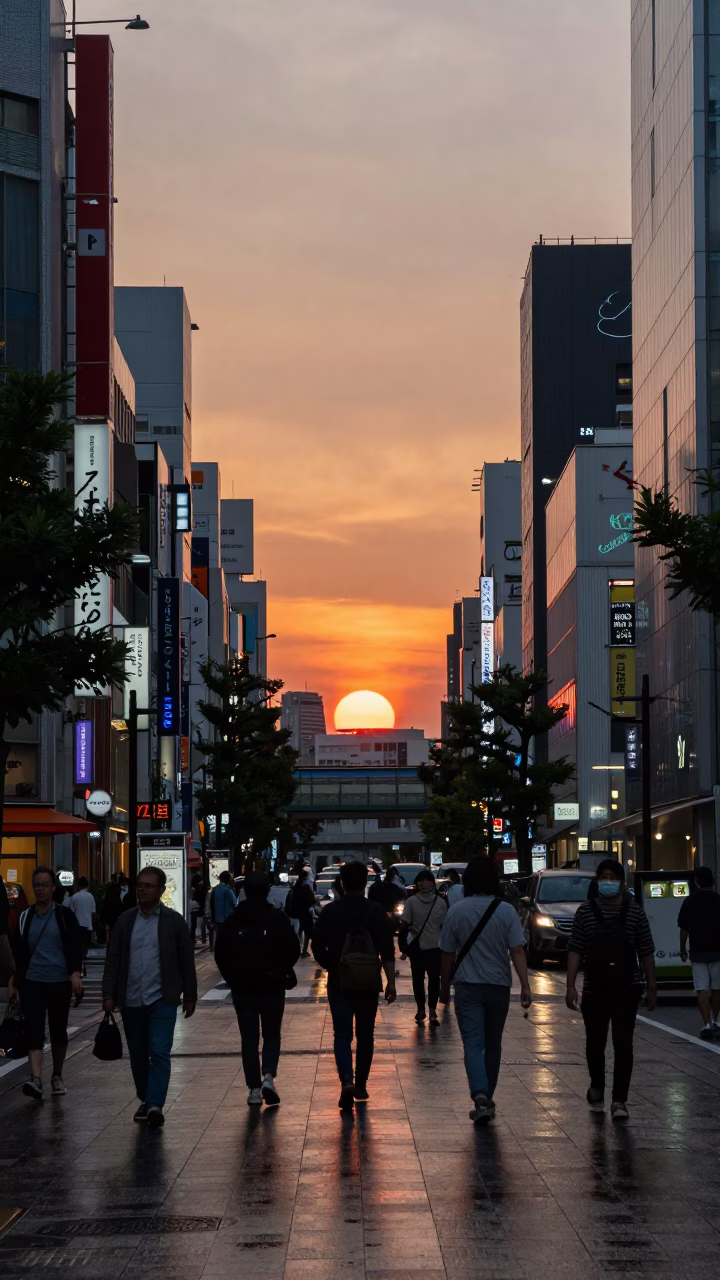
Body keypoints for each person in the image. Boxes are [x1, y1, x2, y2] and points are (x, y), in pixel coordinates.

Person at [102, 865, 197, 1129]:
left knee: (159, 1051)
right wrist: (108, 994)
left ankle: (155, 1103)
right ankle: (146, 1097)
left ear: (161, 890)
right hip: (131, 999)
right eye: (139, 885)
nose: (142, 889)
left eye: (148, 885)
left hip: (162, 998)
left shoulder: (174, 922)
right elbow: (113, 959)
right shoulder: (125, 921)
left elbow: (185, 960)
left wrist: (190, 994)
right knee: (137, 1054)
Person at [440, 855, 531, 1125]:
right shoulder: (505, 911)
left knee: (472, 1043)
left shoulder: (457, 910)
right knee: (493, 1044)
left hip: (467, 987)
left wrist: (444, 987)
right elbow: (517, 950)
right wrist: (525, 985)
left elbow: (447, 954)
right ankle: (486, 1097)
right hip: (498, 987)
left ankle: (479, 1094)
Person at [566, 858, 656, 1121]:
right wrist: (571, 985)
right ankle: (597, 1084)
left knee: (623, 1044)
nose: (608, 882)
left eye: (613, 878)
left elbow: (647, 951)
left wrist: (652, 986)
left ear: (622, 882)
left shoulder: (635, 912)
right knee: (595, 1043)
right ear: (597, 882)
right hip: (594, 989)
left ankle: (619, 1099)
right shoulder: (585, 912)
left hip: (627, 988)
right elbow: (575, 949)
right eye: (603, 878)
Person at [312, 860, 396, 1111]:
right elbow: (388, 950)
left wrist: (334, 965)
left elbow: (317, 946)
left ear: (342, 882)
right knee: (366, 1034)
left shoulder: (331, 911)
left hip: (340, 979)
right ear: (365, 882)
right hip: (369, 980)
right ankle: (361, 1085)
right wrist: (390, 982)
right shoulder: (377, 911)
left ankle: (346, 1080)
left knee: (342, 1034)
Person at [214, 870, 300, 1105]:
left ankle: (253, 1088)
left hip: (243, 987)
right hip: (272, 985)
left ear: (244, 891)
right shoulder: (277, 918)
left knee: (249, 1037)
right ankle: (268, 1076)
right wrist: (281, 968)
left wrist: (232, 978)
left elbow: (221, 953)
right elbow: (293, 948)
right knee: (272, 1033)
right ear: (268, 891)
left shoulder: (234, 919)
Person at [8, 865, 83, 1100]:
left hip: (59, 981)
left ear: (53, 888)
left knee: (58, 1030)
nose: (40, 889)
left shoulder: (63, 915)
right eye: (36, 885)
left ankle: (57, 1074)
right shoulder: (25, 918)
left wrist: (75, 973)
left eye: (44, 885)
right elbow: (19, 953)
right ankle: (36, 1079)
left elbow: (74, 946)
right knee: (34, 1030)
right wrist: (14, 981)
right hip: (32, 981)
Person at [400, 869, 448, 1025]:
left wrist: (403, 946)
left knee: (418, 979)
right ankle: (432, 1010)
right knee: (435, 979)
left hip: (418, 948)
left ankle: (421, 1009)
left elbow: (405, 925)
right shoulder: (441, 902)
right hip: (436, 947)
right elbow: (445, 925)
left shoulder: (411, 902)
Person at [678, 866, 720, 1040]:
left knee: (701, 989)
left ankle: (707, 1024)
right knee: (717, 988)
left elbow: (683, 929)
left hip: (697, 951)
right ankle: (716, 1020)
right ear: (713, 881)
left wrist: (682, 949)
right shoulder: (719, 900)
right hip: (718, 951)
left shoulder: (690, 901)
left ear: (696, 882)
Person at [69, 876, 96, 975]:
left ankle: (80, 966)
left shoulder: (75, 897)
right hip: (88, 925)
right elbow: (93, 913)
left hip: (78, 925)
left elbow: (71, 912)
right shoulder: (90, 896)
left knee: (78, 948)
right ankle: (83, 966)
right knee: (84, 948)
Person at [287, 869, 316, 958]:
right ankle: (304, 950)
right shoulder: (304, 887)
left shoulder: (295, 888)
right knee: (307, 931)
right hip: (304, 912)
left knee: (299, 931)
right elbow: (310, 900)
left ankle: (299, 948)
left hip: (296, 913)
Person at [209, 871, 236, 951]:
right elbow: (235, 904)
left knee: (219, 939)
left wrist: (212, 920)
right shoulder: (228, 891)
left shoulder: (215, 890)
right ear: (228, 879)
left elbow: (212, 904)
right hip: (228, 920)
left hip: (217, 920)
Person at [190, 874, 208, 947]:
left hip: (199, 909)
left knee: (199, 924)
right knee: (194, 925)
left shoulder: (202, 889)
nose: (201, 882)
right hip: (195, 909)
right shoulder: (194, 889)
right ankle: (194, 939)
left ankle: (201, 938)